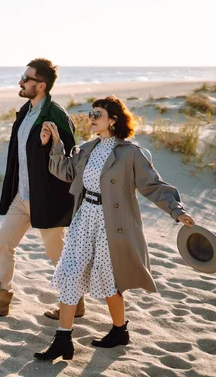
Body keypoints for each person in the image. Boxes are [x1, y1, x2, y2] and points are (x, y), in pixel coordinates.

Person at [33, 95, 195, 361]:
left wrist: (177, 211)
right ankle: (63, 339)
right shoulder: (87, 148)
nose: (92, 118)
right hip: (85, 217)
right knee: (71, 272)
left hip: (112, 224)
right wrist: (53, 144)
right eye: (91, 113)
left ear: (114, 120)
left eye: (98, 114)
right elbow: (67, 172)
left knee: (108, 278)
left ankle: (120, 330)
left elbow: (152, 186)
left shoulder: (131, 153)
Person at [0, 58, 84, 318]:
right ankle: (2, 296)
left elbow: (68, 161)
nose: (20, 81)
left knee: (56, 252)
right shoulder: (25, 111)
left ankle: (75, 301)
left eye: (26, 78)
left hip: (49, 198)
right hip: (23, 196)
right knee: (3, 242)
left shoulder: (56, 115)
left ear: (40, 85)